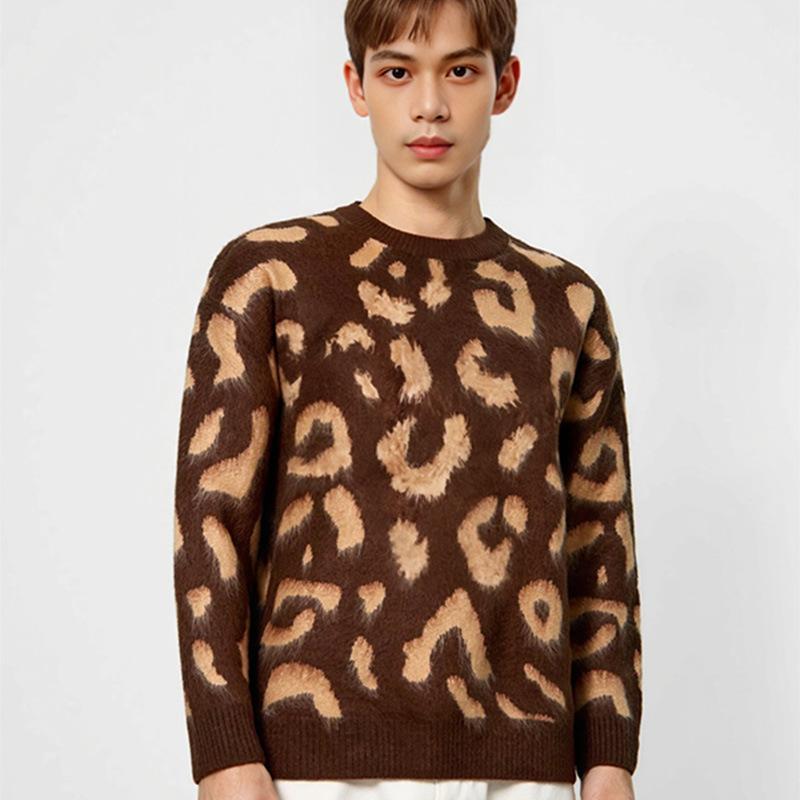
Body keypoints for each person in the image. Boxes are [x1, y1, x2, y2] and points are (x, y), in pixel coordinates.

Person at [172, 1, 643, 799]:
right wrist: (223, 753)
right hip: (314, 766)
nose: (430, 104)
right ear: (357, 86)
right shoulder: (271, 276)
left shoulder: (565, 303)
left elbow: (602, 545)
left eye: (460, 70)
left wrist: (609, 760)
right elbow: (210, 525)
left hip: (522, 771)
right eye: (398, 72)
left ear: (505, 84)